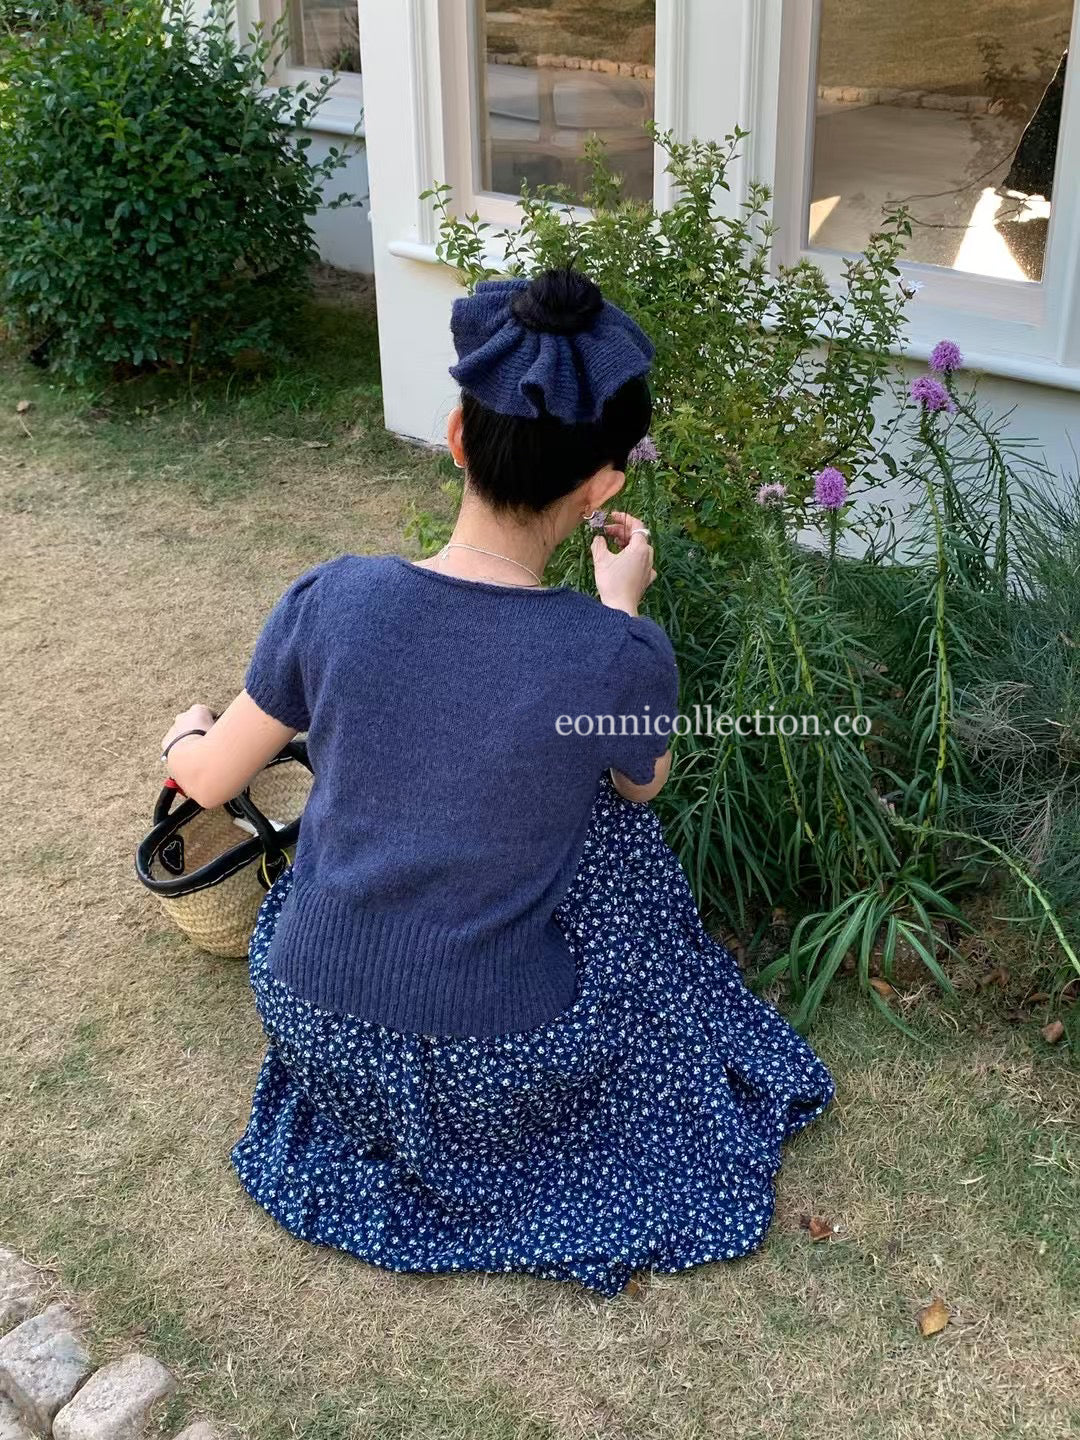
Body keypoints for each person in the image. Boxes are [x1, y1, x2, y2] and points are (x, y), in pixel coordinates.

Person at [159, 268, 834, 1298]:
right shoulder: (613, 653)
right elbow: (643, 786)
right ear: (604, 487)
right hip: (501, 1067)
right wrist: (621, 612)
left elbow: (207, 781)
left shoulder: (334, 599)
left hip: (313, 1016)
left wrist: (188, 730)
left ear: (456, 437)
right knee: (611, 822)